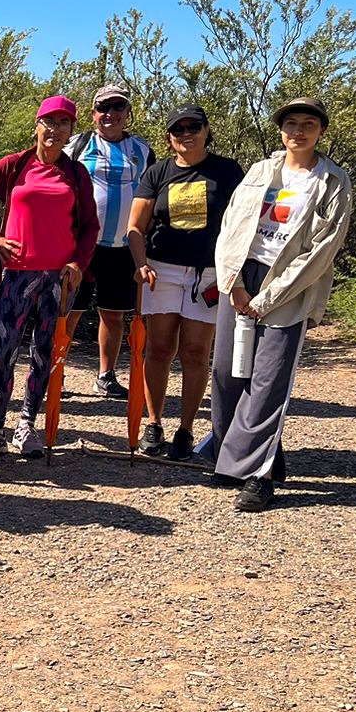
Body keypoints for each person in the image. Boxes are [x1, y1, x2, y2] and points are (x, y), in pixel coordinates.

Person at [211, 97, 353, 512]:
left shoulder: (333, 181)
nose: (299, 131)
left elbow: (323, 251)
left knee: (269, 381)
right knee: (226, 374)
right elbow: (230, 227)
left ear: (321, 131)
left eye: (309, 124)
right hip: (242, 276)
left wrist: (269, 297)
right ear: (281, 130)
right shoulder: (260, 171)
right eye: (291, 123)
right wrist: (233, 284)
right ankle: (238, 454)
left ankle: (258, 475)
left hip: (288, 287)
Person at [0, 95, 99, 461]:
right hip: (16, 276)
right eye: (49, 121)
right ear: (36, 126)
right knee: (4, 353)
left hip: (59, 280)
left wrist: (78, 262)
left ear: (71, 131)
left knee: (44, 353)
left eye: (63, 123)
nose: (55, 130)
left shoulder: (76, 174)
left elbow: (90, 226)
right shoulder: (15, 166)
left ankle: (27, 424)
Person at [127, 105, 245, 458]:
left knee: (195, 351)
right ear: (169, 138)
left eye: (193, 127)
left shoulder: (226, 171)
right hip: (161, 270)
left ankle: (186, 429)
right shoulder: (158, 172)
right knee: (159, 348)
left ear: (207, 131)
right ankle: (154, 423)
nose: (186, 134)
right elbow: (135, 227)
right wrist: (141, 263)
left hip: (208, 273)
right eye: (178, 130)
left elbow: (243, 220)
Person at [69, 84, 153, 399]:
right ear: (93, 114)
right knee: (69, 312)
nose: (110, 114)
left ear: (127, 114)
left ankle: (106, 375)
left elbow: (152, 195)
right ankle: (55, 371)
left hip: (123, 248)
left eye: (118, 108)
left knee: (114, 314)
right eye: (104, 108)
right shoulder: (77, 146)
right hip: (83, 245)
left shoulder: (142, 150)